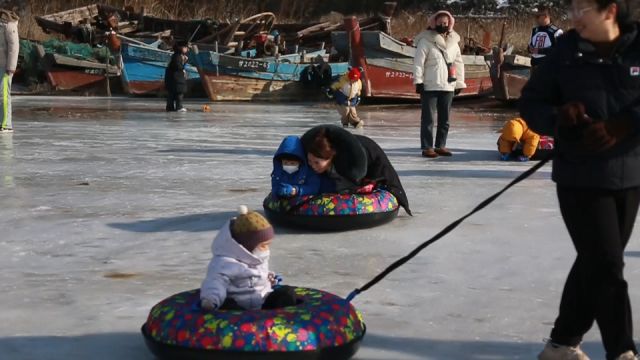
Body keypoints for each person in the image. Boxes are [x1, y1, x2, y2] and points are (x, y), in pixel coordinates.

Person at [519, 0, 640, 359]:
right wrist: (559, 117)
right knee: (606, 265)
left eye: (583, 8)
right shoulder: (565, 51)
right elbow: (531, 103)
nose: (574, 17)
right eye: (572, 8)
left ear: (610, 10)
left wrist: (625, 124)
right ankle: (622, 351)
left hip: (630, 172)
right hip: (580, 176)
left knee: (596, 259)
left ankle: (561, 343)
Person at [200, 205, 296, 311]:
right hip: (238, 306)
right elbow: (215, 282)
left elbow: (259, 273)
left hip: (261, 301)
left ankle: (283, 319)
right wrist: (211, 299)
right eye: (264, 245)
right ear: (248, 246)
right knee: (228, 306)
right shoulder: (224, 263)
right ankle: (232, 319)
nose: (267, 249)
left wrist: (269, 279)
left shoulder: (258, 256)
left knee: (287, 293)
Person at [301, 124, 412, 215]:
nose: (313, 165)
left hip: (371, 161)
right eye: (310, 161)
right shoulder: (318, 159)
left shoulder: (346, 163)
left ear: (330, 159)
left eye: (317, 162)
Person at [413, 10, 466, 158]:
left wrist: (459, 83)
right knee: (428, 118)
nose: (443, 25)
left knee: (445, 119)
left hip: (448, 85)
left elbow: (458, 63)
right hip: (430, 85)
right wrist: (418, 81)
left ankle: (440, 145)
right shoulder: (425, 41)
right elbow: (418, 63)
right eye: (440, 22)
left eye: (445, 23)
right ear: (433, 23)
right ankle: (427, 147)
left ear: (450, 24)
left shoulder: (454, 42)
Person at [0, 8, 18, 133]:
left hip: (5, 66)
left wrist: (10, 68)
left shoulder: (9, 26)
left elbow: (14, 47)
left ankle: (6, 124)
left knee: (4, 95)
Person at [164, 42, 188, 112]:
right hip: (176, 79)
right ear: (181, 48)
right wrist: (184, 62)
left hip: (173, 78)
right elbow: (178, 67)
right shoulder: (177, 56)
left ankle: (170, 107)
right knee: (179, 93)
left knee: (172, 93)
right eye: (185, 47)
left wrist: (184, 61)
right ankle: (179, 107)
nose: (187, 49)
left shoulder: (177, 55)